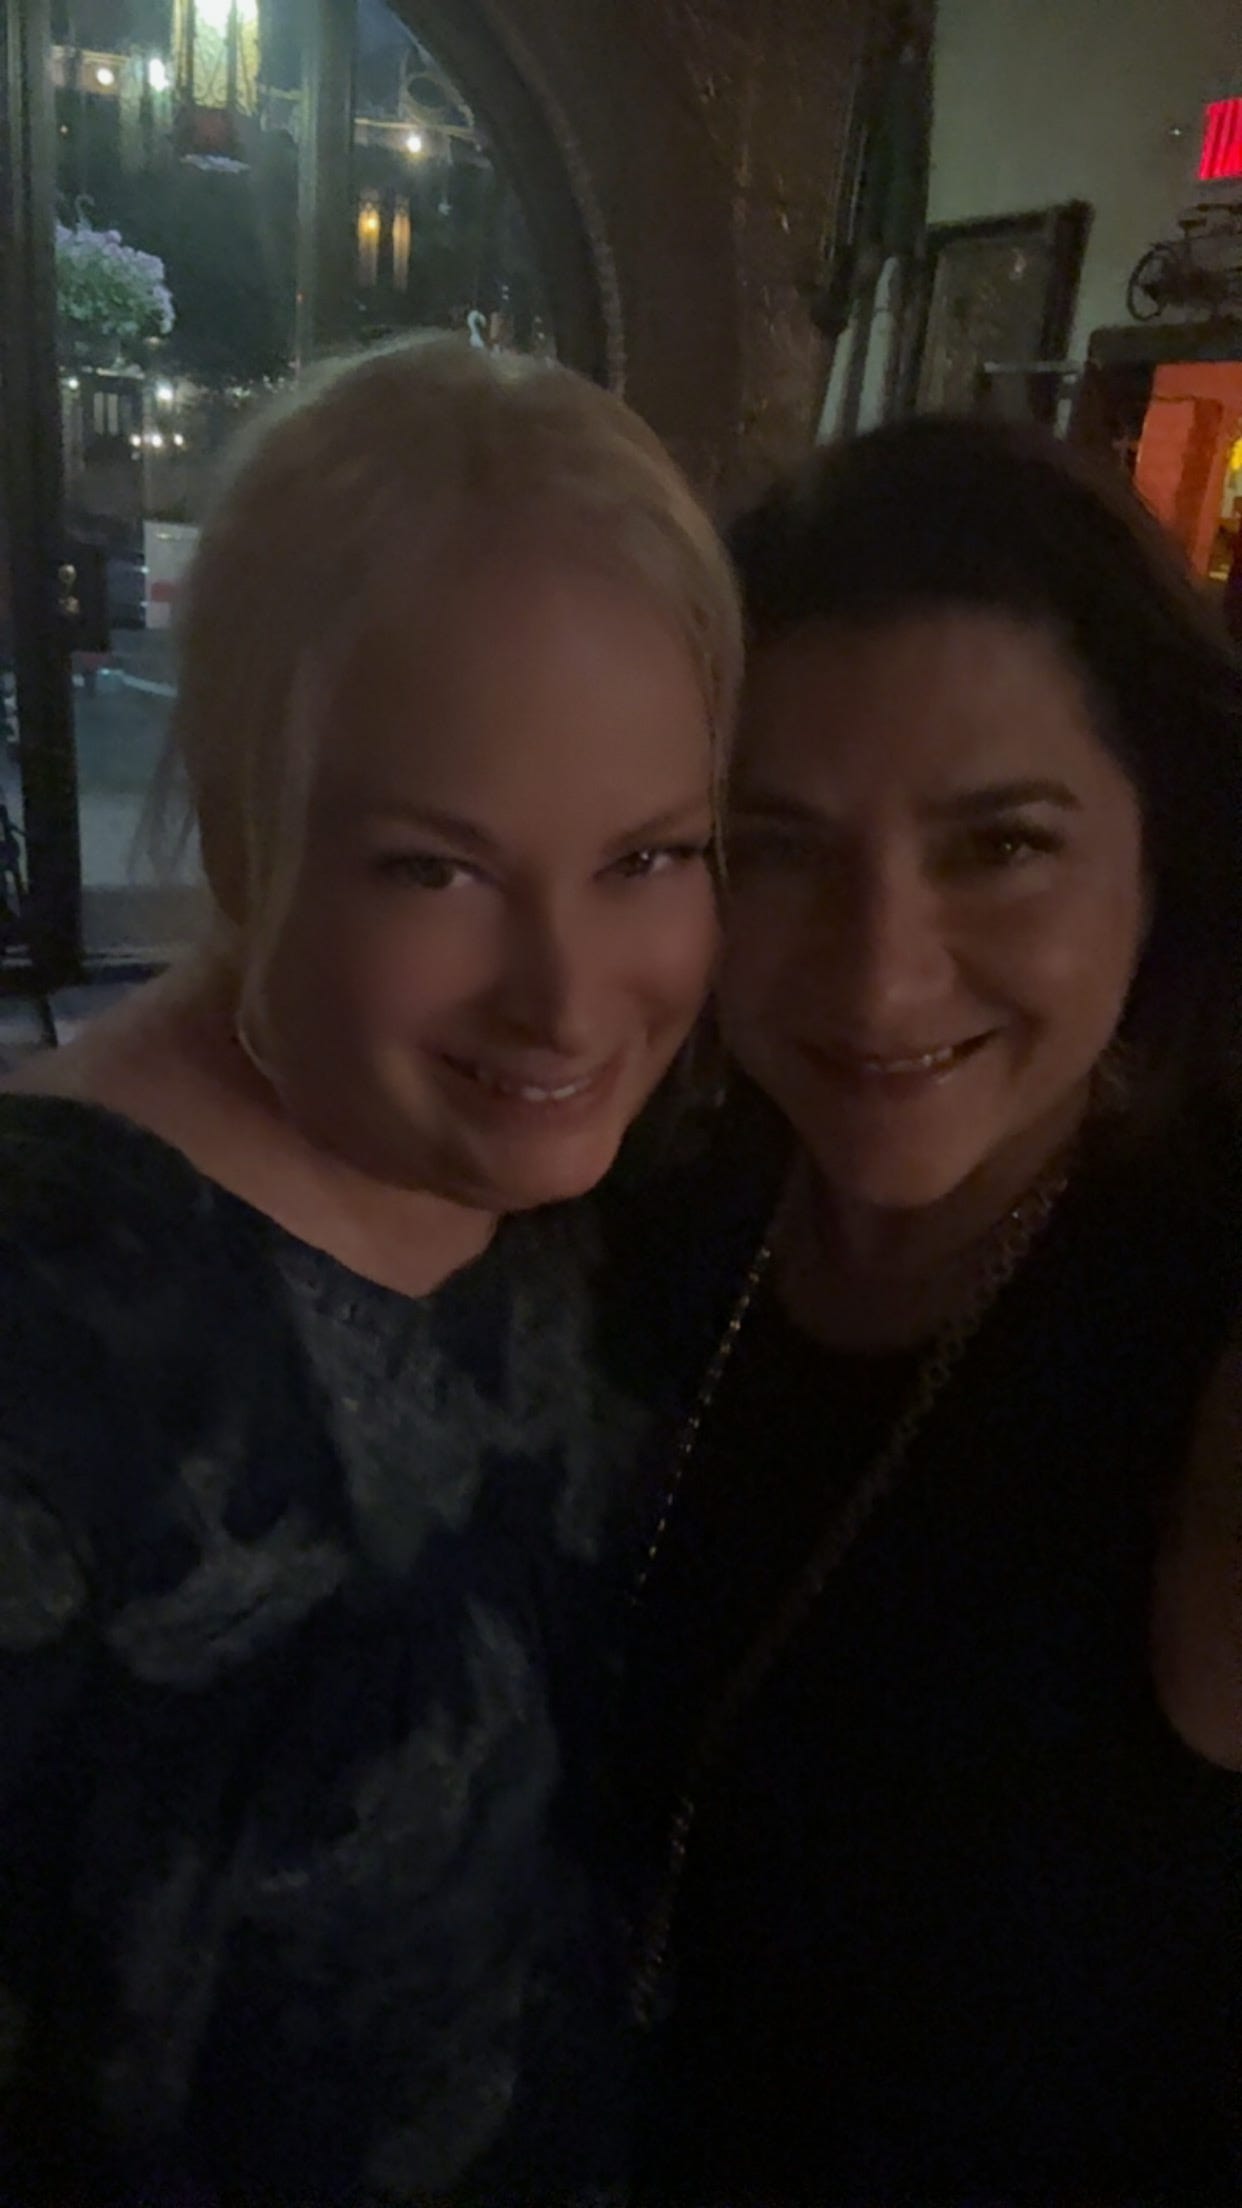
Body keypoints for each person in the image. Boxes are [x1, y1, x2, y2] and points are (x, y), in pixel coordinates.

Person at [0, 335, 741, 2205]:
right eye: (436, 871)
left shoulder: (606, 1199)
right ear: (246, 826)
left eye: (647, 857)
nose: (565, 1000)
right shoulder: (51, 1343)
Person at [623, 415, 1242, 2205]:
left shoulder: (1197, 1320)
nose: (879, 976)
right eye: (777, 849)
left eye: (998, 846)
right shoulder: (655, 1208)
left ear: (1163, 851)